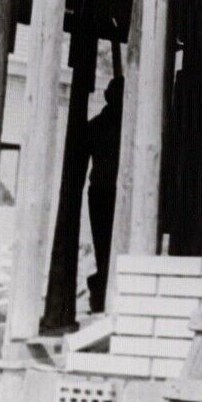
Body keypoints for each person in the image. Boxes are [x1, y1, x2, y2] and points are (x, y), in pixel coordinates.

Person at [85, 75, 124, 314]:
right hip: (105, 192)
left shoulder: (97, 125)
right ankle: (102, 293)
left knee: (106, 246)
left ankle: (103, 291)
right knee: (106, 246)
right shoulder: (101, 126)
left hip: (105, 192)